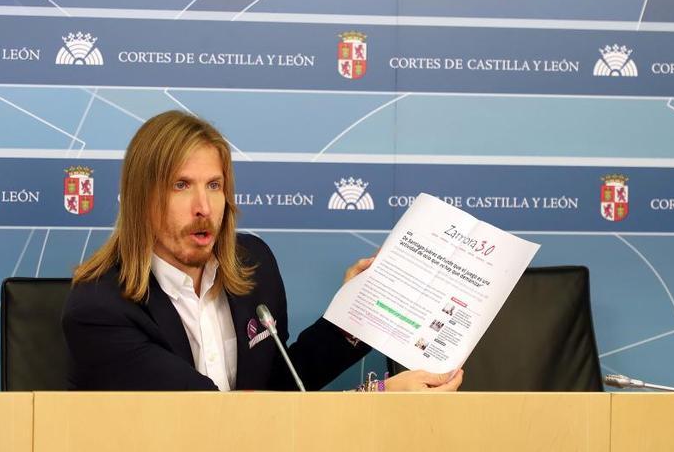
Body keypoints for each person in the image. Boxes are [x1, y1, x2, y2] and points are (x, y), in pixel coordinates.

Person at [62, 110, 463, 391]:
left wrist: (351, 319)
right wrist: (376, 399)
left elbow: (278, 387)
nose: (204, 207)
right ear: (140, 199)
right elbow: (216, 421)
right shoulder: (98, 308)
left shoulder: (252, 266)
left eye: (214, 185)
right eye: (181, 185)